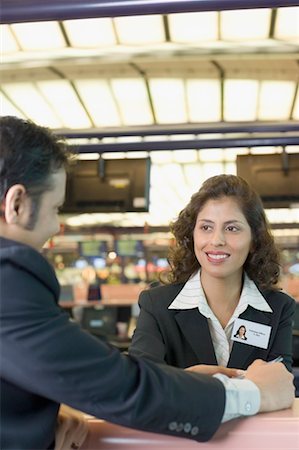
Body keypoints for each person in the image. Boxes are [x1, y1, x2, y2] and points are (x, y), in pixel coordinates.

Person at [0, 117, 294, 450]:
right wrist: (252, 392)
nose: (56, 227)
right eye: (55, 209)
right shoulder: (8, 278)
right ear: (16, 204)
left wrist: (52, 405)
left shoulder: (278, 306)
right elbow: (123, 386)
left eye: (232, 229)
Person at [129, 174, 296, 373]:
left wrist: (190, 380)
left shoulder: (278, 308)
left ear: (254, 240)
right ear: (192, 236)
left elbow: (279, 387)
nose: (217, 240)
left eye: (232, 228)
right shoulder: (156, 305)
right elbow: (142, 382)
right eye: (206, 227)